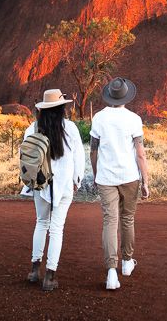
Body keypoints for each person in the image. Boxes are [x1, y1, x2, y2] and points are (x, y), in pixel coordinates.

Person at [21, 89, 85, 291]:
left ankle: (33, 270)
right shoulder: (71, 129)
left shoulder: (33, 128)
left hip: (40, 185)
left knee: (41, 223)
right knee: (57, 229)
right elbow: (79, 157)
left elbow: (26, 158)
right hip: (64, 184)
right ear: (61, 108)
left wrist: (28, 183)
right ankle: (50, 276)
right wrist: (77, 181)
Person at [90, 77, 150, 290]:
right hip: (130, 176)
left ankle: (111, 273)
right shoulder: (134, 119)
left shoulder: (99, 118)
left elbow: (93, 150)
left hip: (106, 177)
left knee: (109, 221)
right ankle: (126, 262)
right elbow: (140, 153)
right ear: (126, 96)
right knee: (127, 219)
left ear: (109, 96)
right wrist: (145, 181)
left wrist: (97, 174)